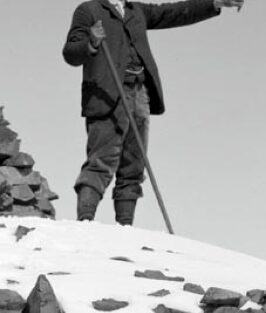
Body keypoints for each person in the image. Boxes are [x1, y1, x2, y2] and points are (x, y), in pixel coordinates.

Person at [63, 0, 243, 225]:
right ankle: (85, 221)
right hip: (107, 94)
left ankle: (125, 227)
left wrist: (214, 3)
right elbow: (70, 53)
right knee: (101, 161)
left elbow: (171, 13)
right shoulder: (89, 10)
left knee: (134, 165)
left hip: (140, 93)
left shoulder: (136, 10)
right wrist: (91, 41)